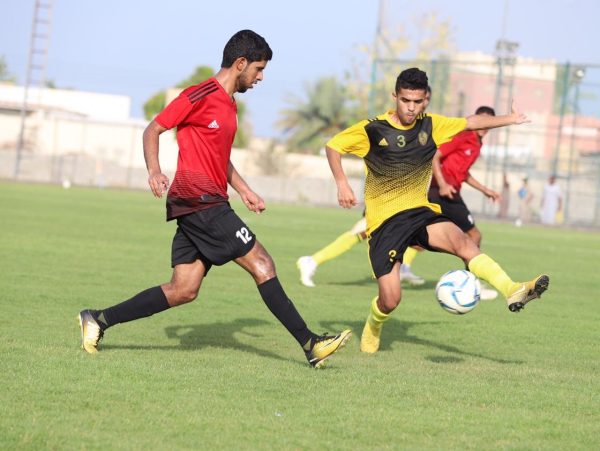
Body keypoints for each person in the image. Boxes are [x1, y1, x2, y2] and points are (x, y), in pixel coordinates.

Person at [77, 30, 351, 368]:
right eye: (259, 69)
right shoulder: (199, 95)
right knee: (263, 264)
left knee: (184, 289)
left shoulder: (230, 104)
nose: (261, 77)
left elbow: (219, 157)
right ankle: (311, 344)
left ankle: (97, 319)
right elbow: (153, 129)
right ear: (241, 63)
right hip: (200, 200)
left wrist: (244, 189)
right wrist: (154, 171)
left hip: (202, 202)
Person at [325, 67, 549, 354]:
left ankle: (512, 289)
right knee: (390, 300)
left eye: (417, 102)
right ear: (395, 96)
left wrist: (511, 119)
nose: (411, 107)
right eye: (406, 100)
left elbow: (471, 122)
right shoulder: (373, 129)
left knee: (464, 242)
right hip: (384, 224)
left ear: (425, 100)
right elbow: (333, 146)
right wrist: (342, 183)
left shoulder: (431, 125)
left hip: (419, 213)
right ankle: (374, 324)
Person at [296, 87, 432, 288]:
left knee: (421, 235)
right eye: (420, 99)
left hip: (404, 201)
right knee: (360, 233)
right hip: (384, 199)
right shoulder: (388, 125)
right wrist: (343, 184)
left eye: (425, 99)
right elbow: (338, 146)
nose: (422, 103)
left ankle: (403, 269)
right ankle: (312, 261)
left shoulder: (423, 127)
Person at [428, 105, 504, 300]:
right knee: (474, 235)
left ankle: (403, 268)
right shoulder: (463, 135)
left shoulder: (477, 144)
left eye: (488, 122)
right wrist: (442, 184)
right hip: (443, 193)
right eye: (481, 120)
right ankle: (470, 284)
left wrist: (485, 190)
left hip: (450, 192)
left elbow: (464, 173)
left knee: (424, 235)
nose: (484, 125)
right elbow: (435, 157)